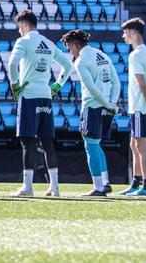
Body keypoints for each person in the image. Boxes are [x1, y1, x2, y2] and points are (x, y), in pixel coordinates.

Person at [7, 9, 72, 197]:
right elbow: (68, 65)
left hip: (29, 96)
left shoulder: (24, 41)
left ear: (25, 25)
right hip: (46, 96)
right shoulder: (48, 43)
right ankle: (55, 187)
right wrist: (57, 84)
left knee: (28, 142)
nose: (19, 31)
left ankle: (28, 187)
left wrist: (15, 85)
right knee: (48, 144)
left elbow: (12, 64)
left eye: (20, 27)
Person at [62, 29, 119, 196]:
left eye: (69, 47)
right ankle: (105, 182)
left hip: (92, 107)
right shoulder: (101, 54)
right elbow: (115, 80)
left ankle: (98, 187)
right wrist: (112, 103)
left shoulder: (81, 61)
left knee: (90, 146)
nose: (69, 51)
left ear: (75, 44)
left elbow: (92, 89)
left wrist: (107, 104)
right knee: (97, 145)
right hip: (107, 106)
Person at [122, 17, 146, 197]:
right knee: (134, 144)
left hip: (140, 107)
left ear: (133, 32)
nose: (124, 36)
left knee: (142, 145)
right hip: (142, 107)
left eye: (125, 32)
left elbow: (143, 84)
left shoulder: (136, 55)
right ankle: (136, 183)